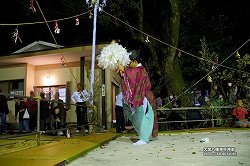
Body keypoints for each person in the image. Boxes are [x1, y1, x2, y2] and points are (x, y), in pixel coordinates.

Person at [117, 50, 158, 145]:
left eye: (130, 62)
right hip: (141, 96)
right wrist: (122, 70)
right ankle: (144, 135)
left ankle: (144, 138)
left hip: (144, 97)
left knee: (143, 117)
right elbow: (129, 77)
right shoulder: (136, 70)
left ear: (135, 61)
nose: (129, 64)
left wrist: (124, 70)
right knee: (136, 116)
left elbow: (133, 74)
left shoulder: (140, 70)